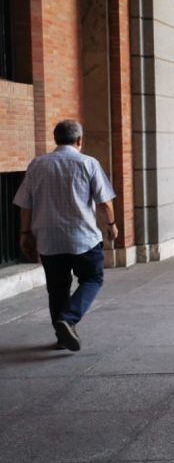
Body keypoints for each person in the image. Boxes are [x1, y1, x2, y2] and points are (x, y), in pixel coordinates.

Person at [13, 120, 117, 351]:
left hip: (48, 239)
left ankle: (62, 337)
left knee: (57, 287)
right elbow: (104, 202)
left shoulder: (37, 165)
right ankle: (68, 320)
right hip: (84, 238)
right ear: (79, 140)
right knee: (93, 278)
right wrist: (111, 224)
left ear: (55, 139)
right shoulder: (88, 163)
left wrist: (25, 233)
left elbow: (25, 204)